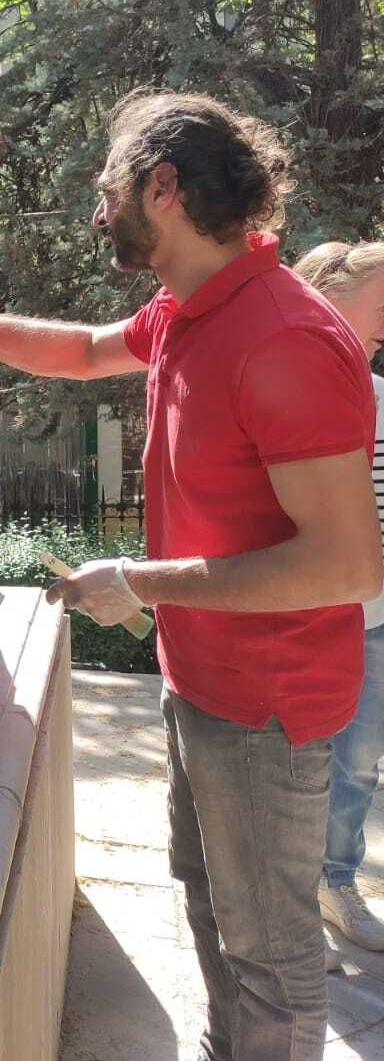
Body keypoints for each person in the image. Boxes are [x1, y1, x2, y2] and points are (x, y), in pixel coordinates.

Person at [0, 90, 383, 1061]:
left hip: (267, 710)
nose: (96, 205)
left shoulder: (285, 338)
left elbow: (342, 563)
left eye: (106, 184)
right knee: (206, 906)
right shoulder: (189, 308)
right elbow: (78, 352)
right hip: (200, 685)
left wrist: (143, 583)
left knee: (271, 958)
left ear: (162, 186)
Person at [292, 242, 384, 954]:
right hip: (302, 614)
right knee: (293, 760)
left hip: (374, 619)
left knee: (356, 762)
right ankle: (289, 907)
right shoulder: (290, 383)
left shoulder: (382, 397)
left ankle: (334, 880)